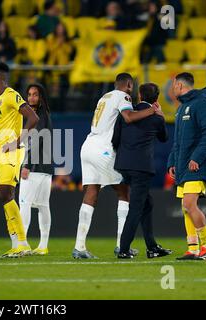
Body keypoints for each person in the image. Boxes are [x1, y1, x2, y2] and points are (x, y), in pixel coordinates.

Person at [72, 73, 161, 259]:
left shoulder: (104, 97)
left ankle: (79, 247)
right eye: (132, 86)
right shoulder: (123, 96)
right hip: (103, 149)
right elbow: (128, 117)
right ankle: (122, 245)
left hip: (88, 146)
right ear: (128, 85)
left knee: (91, 192)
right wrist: (152, 111)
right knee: (124, 192)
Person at [112, 83, 172, 259]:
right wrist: (160, 114)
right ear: (157, 99)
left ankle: (152, 247)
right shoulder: (156, 118)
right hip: (141, 168)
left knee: (147, 203)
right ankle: (123, 249)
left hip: (124, 165)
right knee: (136, 208)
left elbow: (115, 139)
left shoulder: (126, 113)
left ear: (139, 95)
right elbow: (164, 138)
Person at [0, 63, 39, 258]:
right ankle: (17, 244)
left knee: (6, 193)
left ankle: (22, 243)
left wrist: (17, 143)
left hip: (11, 152)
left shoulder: (11, 95)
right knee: (5, 197)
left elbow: (33, 118)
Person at [168, 72, 206, 260]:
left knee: (189, 204)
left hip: (197, 165)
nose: (172, 90)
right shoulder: (182, 108)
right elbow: (177, 142)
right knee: (185, 206)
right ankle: (193, 248)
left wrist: (197, 157)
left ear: (180, 86)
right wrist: (172, 162)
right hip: (183, 165)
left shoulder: (202, 103)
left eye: (173, 86)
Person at [19, 84, 53, 256]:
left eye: (35, 95)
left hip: (34, 168)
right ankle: (43, 245)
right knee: (42, 206)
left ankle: (22, 244)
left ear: (41, 97)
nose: (31, 98)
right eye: (29, 94)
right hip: (45, 169)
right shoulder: (44, 115)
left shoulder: (38, 116)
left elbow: (37, 141)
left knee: (24, 205)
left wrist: (27, 165)